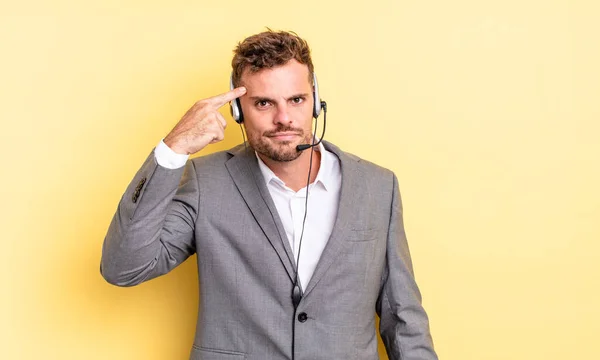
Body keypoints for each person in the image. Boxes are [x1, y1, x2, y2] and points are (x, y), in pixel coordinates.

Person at [101, 30, 438, 360]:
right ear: (238, 110)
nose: (284, 118)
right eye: (263, 103)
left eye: (296, 99)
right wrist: (172, 150)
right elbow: (124, 267)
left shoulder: (377, 186)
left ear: (315, 100)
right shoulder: (207, 181)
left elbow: (402, 316)